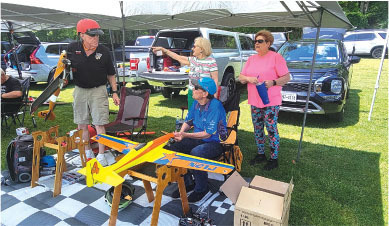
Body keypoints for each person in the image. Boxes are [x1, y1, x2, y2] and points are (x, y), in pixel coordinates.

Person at [67, 19, 120, 166]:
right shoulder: (72, 49)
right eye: (92, 36)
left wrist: (115, 92)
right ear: (82, 35)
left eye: (97, 36)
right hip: (79, 90)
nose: (96, 39)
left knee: (99, 123)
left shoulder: (104, 52)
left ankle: (102, 155)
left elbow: (111, 74)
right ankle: (87, 152)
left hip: (98, 90)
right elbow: (64, 68)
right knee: (81, 124)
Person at [166, 77, 227, 203]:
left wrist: (185, 135)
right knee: (173, 146)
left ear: (205, 94)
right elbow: (188, 121)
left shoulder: (215, 106)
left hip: (215, 142)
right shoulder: (196, 103)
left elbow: (207, 135)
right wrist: (181, 133)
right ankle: (189, 182)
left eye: (196, 88)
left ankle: (201, 188)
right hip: (199, 138)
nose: (192, 89)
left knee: (196, 153)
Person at [238, 30, 290, 171]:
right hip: (255, 100)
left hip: (270, 101)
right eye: (255, 41)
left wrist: (272, 82)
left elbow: (286, 78)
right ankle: (261, 153)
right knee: (258, 128)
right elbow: (241, 77)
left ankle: (274, 158)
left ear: (268, 43)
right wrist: (249, 79)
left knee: (271, 129)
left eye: (260, 41)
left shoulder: (276, 57)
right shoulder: (251, 59)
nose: (256, 43)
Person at [152, 37, 218, 108]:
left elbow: (215, 80)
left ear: (201, 49)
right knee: (192, 116)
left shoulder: (211, 61)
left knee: (205, 116)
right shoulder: (192, 60)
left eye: (194, 46)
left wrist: (215, 98)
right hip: (192, 93)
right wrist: (164, 50)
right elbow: (178, 57)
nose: (192, 48)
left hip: (204, 94)